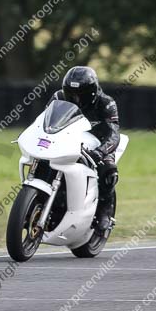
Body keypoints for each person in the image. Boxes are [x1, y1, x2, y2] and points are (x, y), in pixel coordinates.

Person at [50, 66, 120, 231]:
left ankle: (105, 211)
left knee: (109, 169)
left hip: (98, 141)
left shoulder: (106, 103)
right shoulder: (58, 97)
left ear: (92, 92)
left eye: (80, 95)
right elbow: (45, 120)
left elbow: (114, 133)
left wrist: (101, 152)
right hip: (66, 137)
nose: (75, 99)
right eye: (71, 94)